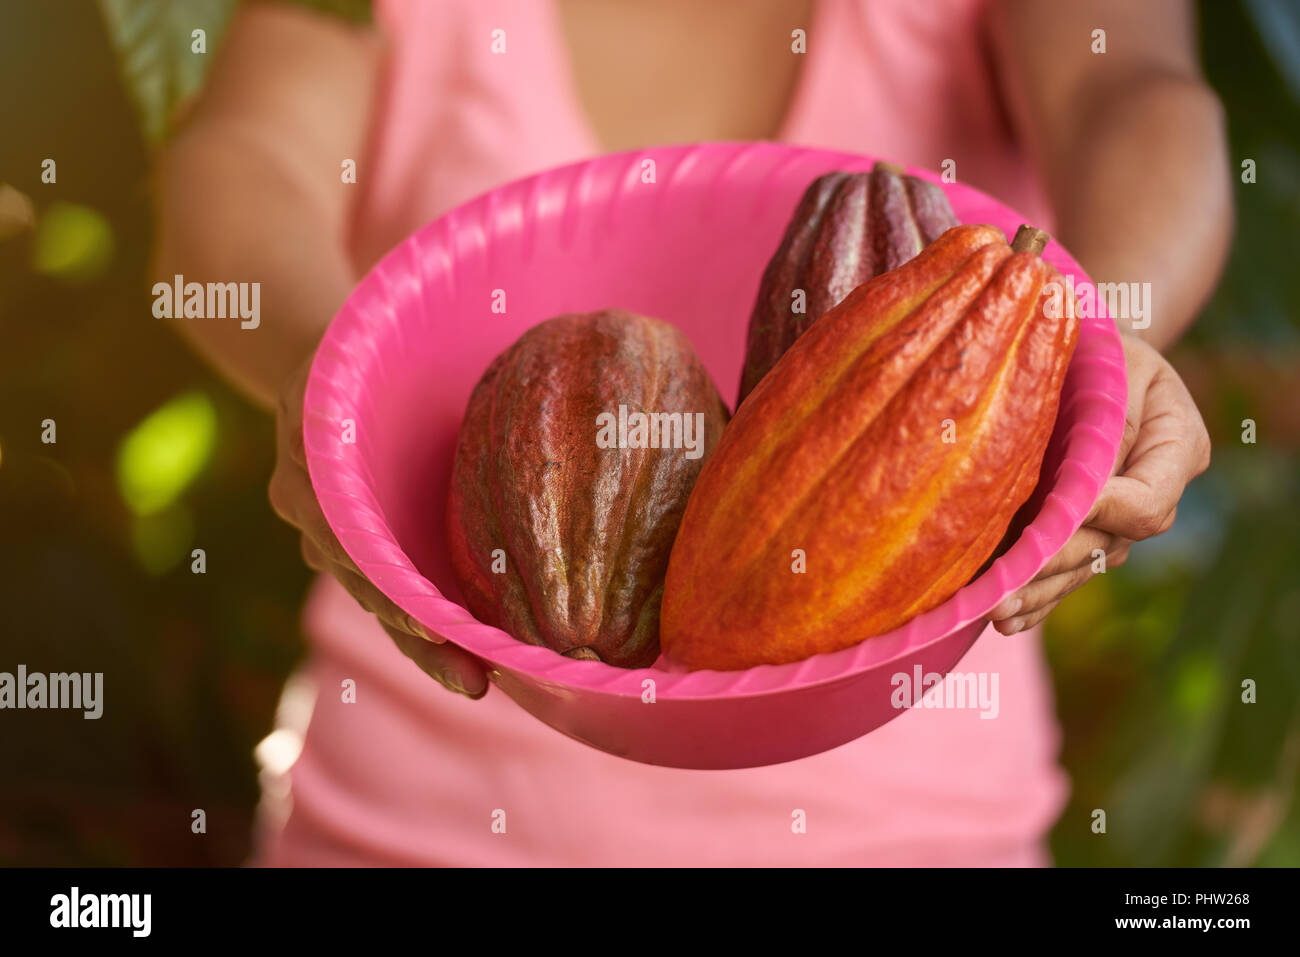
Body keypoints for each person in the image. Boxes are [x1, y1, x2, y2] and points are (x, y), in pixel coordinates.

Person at [154, 0, 1225, 865]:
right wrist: (317, 370)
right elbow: (244, 164)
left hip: (908, 834)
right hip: (407, 823)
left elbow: (1128, 93)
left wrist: (1096, 338)